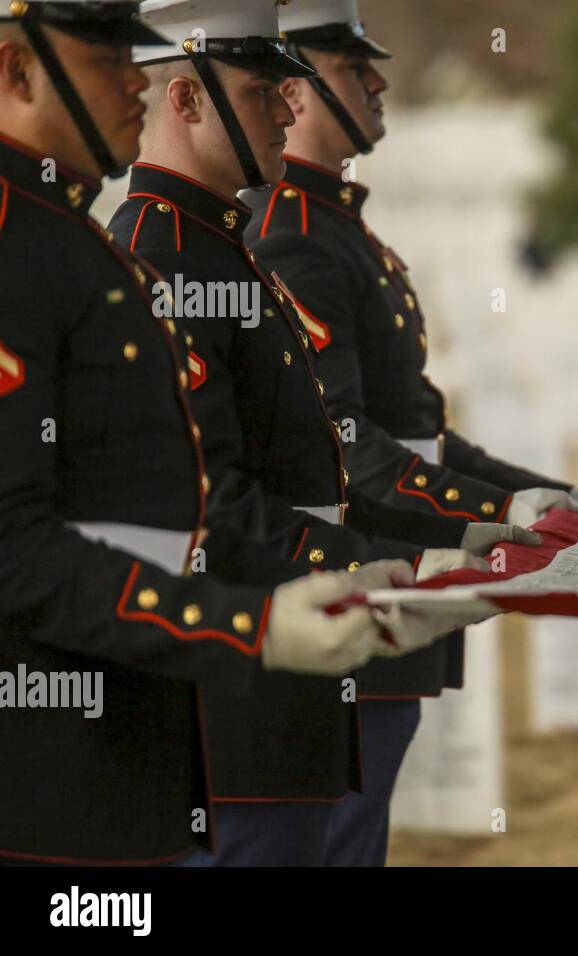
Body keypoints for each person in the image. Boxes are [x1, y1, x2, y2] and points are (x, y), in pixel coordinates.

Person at [0, 0, 414, 866]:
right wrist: (246, 626)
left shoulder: (76, 239)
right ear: (15, 73)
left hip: (144, 722)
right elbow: (19, 546)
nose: (133, 85)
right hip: (59, 755)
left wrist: (346, 564)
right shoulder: (35, 245)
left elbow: (171, 500)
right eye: (106, 61)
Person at [106, 0, 502, 866]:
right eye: (263, 89)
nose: (293, 105)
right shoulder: (165, 256)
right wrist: (370, 566)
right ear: (184, 101)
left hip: (286, 681)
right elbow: (213, 498)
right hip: (235, 697)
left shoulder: (221, 244)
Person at [246, 0, 578, 864]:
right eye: (354, 69)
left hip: (402, 579)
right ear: (297, 92)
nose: (380, 80)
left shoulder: (339, 232)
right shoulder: (293, 238)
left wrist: (550, 498)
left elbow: (421, 433)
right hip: (363, 577)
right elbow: (346, 443)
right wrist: (491, 516)